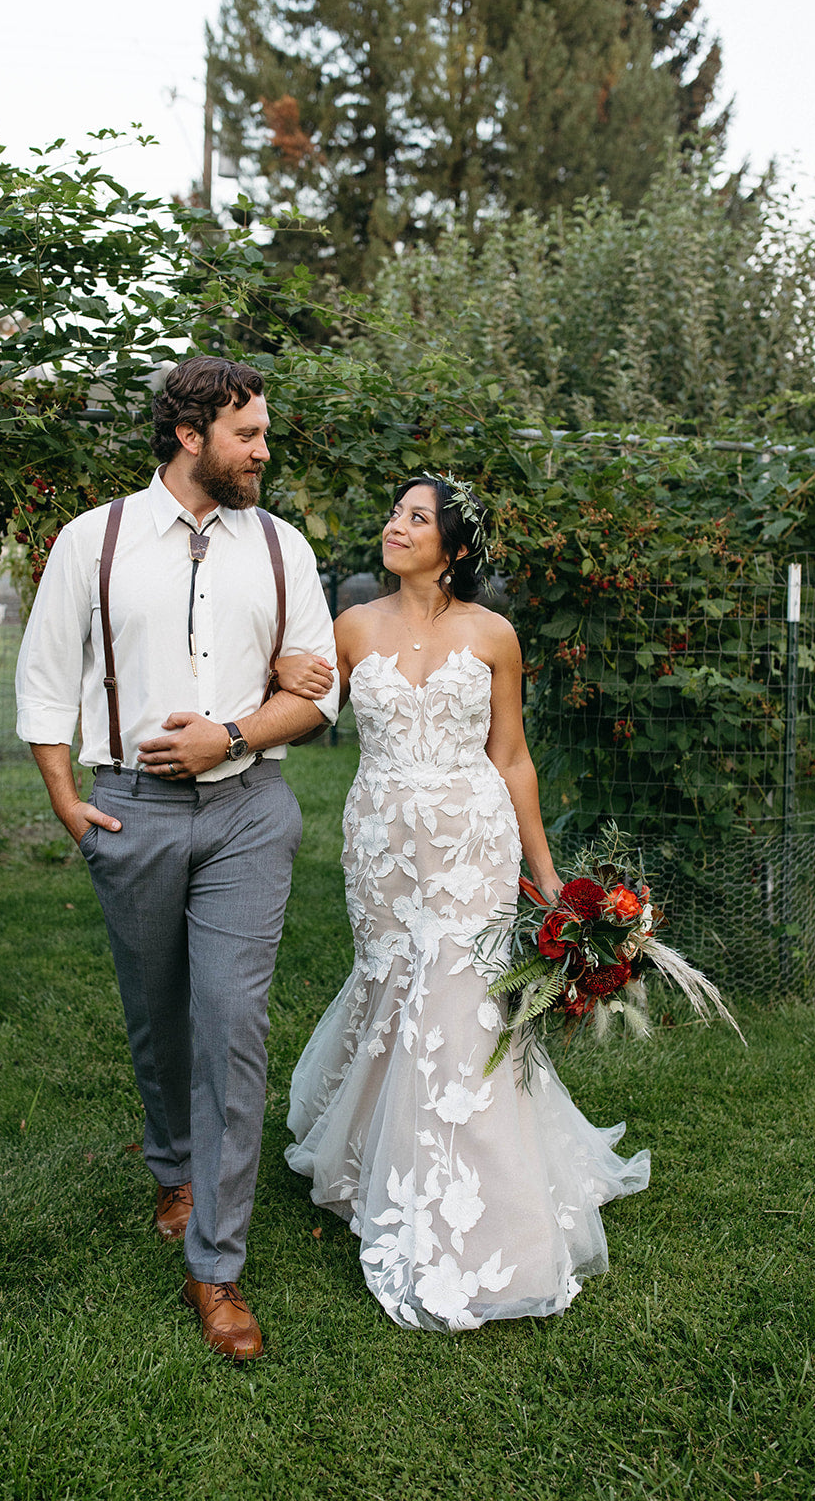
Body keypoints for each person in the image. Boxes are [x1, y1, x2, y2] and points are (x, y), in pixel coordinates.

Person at [15, 356, 339, 1361]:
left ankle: (217, 1265)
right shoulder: (95, 540)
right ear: (190, 435)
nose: (263, 451)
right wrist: (72, 802)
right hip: (130, 812)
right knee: (157, 1012)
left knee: (232, 1024)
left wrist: (234, 735)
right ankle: (172, 1163)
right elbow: (43, 676)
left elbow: (317, 697)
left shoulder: (282, 548)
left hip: (248, 811)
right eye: (249, 434)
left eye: (265, 432)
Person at [274, 474, 649, 1331]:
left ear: (456, 546)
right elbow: (301, 705)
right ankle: (369, 1148)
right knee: (390, 983)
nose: (393, 526)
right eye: (393, 512)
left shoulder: (494, 635)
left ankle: (484, 1211)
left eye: (415, 517)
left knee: (463, 1004)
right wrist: (271, 669)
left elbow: (510, 757)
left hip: (471, 846)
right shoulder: (350, 625)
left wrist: (547, 877)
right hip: (378, 845)